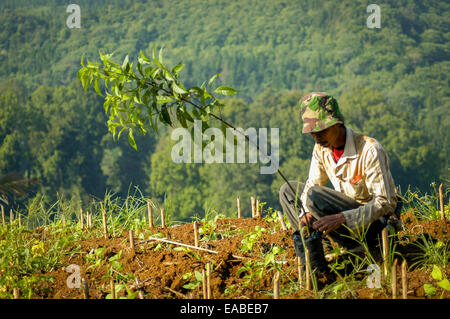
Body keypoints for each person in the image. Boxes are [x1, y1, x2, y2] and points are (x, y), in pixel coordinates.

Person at [279, 92, 400, 259]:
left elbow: (385, 203)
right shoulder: (321, 149)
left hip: (372, 225)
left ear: (337, 123)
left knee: (315, 196)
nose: (317, 137)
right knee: (288, 191)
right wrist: (305, 213)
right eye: (312, 133)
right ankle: (317, 246)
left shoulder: (369, 149)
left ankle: (359, 248)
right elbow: (313, 182)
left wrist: (342, 218)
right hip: (341, 219)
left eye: (321, 130)